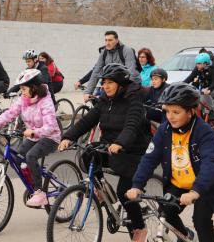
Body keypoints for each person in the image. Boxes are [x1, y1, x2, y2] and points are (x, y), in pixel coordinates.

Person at [59, 64, 151, 242]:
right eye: (104, 82)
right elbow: (87, 120)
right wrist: (69, 137)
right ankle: (102, 191)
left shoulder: (134, 100)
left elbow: (132, 126)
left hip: (133, 150)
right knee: (87, 154)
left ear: (121, 84)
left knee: (125, 191)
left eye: (110, 83)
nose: (105, 86)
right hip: (110, 145)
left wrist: (120, 143)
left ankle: (139, 227)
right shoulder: (104, 100)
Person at [127, 82, 214, 242]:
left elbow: (211, 162)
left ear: (191, 112)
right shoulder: (164, 130)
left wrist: (196, 191)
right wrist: (137, 185)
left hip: (205, 185)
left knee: (201, 220)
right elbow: (149, 158)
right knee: (165, 213)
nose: (170, 117)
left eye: (176, 112)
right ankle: (185, 236)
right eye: (167, 111)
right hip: (180, 183)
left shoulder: (204, 131)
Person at [0, 69, 60, 207]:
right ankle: (34, 181)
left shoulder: (46, 102)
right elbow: (9, 114)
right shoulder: (23, 100)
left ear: (34, 87)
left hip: (50, 137)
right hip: (34, 136)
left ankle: (39, 192)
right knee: (17, 158)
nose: (21, 92)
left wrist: (34, 132)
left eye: (24, 88)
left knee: (30, 156)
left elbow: (51, 126)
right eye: (20, 89)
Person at [84, 31, 141, 102]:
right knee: (100, 103)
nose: (107, 43)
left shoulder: (127, 50)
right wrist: (88, 92)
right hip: (113, 85)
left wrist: (122, 90)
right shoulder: (104, 52)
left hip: (131, 83)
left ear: (117, 40)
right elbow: (96, 71)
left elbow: (131, 72)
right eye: (106, 40)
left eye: (110, 40)